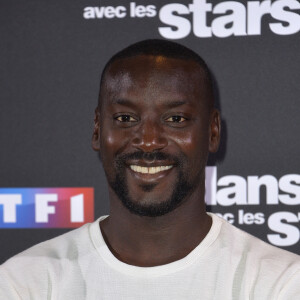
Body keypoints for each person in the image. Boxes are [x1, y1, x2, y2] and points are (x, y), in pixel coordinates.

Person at [0, 39, 299, 299]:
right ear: (96, 130)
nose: (148, 141)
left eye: (176, 119)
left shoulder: (279, 284)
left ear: (213, 132)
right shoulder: (24, 284)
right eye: (126, 118)